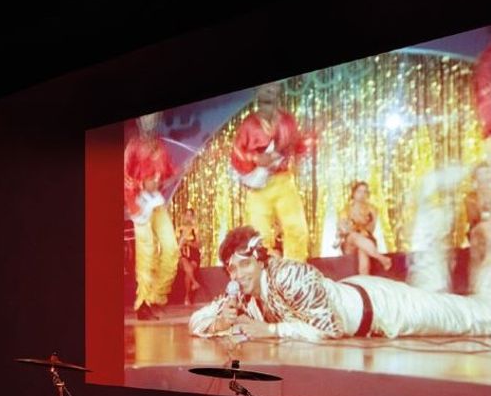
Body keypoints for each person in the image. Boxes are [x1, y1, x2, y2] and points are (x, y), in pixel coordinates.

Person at [188, 224, 491, 341]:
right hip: (362, 310)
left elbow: (329, 329)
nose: (237, 275)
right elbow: (196, 321)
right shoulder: (242, 295)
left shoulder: (290, 275)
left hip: (383, 306)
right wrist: (218, 322)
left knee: (467, 317)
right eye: (231, 269)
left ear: (260, 260)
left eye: (244, 265)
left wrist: (270, 330)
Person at [230, 82, 311, 262]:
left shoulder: (287, 121)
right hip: (259, 187)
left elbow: (297, 145)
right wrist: (255, 158)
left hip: (283, 181)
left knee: (296, 228)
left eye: (274, 86)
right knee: (258, 236)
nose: (270, 89)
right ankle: (264, 275)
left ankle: (296, 272)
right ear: (257, 92)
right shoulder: (249, 124)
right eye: (265, 86)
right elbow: (236, 153)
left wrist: (310, 138)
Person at [125, 112, 178, 320]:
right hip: (140, 205)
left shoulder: (161, 147)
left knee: (171, 248)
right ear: (139, 121)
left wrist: (175, 173)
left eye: (153, 117)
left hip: (156, 202)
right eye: (146, 117)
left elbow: (166, 175)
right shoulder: (133, 147)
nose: (150, 120)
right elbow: (124, 177)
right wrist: (141, 185)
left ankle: (155, 297)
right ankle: (143, 303)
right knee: (147, 253)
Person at [337, 181, 392, 274]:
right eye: (359, 191)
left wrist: (362, 231)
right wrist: (351, 229)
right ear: (353, 193)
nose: (362, 194)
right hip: (349, 243)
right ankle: (381, 258)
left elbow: (371, 230)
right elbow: (343, 230)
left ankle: (364, 279)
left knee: (363, 250)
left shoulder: (372, 209)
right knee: (353, 236)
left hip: (367, 240)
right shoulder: (345, 210)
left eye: (365, 192)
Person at [465, 162, 491, 271]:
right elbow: (475, 218)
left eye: (487, 173)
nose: (486, 176)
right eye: (482, 174)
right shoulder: (471, 198)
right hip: (479, 232)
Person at [175, 207, 203, 304]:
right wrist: (182, 240)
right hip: (182, 255)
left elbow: (199, 245)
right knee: (183, 261)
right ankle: (194, 282)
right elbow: (176, 246)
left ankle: (187, 297)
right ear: (184, 216)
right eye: (187, 215)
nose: (188, 217)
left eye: (190, 215)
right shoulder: (179, 229)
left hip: (193, 255)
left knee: (189, 270)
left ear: (193, 217)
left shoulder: (195, 229)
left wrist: (188, 242)